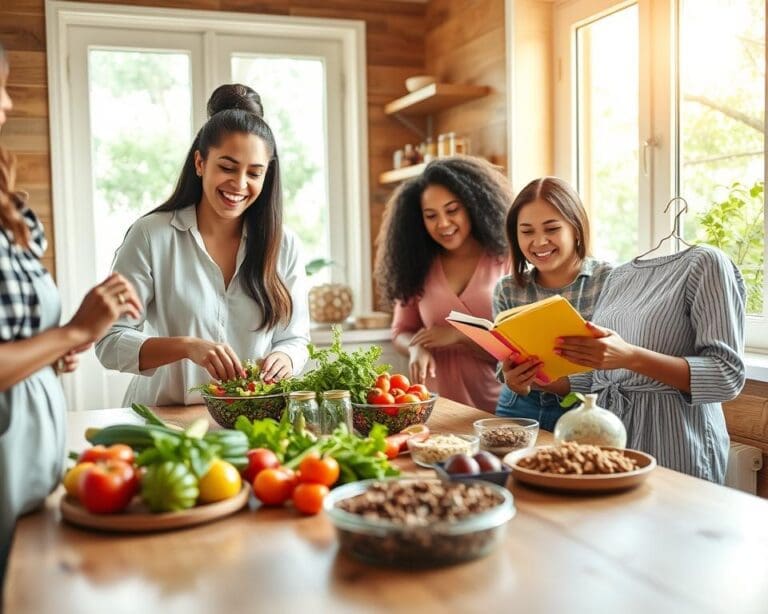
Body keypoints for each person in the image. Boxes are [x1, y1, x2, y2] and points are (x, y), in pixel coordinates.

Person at [0, 43, 142, 591]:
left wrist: (54, 352)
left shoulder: (9, 206)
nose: (8, 106)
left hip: (32, 484)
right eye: (0, 88)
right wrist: (74, 331)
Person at [95, 84, 310, 406]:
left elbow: (295, 337)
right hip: (162, 421)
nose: (239, 184)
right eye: (227, 167)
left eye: (254, 173)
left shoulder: (285, 244)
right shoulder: (151, 235)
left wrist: (286, 357)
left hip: (251, 422)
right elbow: (109, 342)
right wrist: (186, 346)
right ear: (200, 163)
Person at [552, 241, 745, 483]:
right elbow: (603, 374)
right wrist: (544, 380)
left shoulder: (706, 263)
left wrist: (631, 357)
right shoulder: (617, 276)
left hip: (675, 439)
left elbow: (726, 376)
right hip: (613, 439)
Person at [375, 156, 510, 412]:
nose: (443, 224)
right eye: (431, 215)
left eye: (452, 210)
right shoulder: (417, 265)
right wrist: (416, 347)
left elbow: (514, 351)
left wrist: (459, 335)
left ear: (473, 205)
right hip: (438, 406)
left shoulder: (505, 260)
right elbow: (400, 331)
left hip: (499, 407)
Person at [496, 177, 612, 430]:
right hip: (518, 404)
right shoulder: (507, 289)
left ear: (576, 229)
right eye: (527, 232)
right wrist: (511, 378)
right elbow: (501, 360)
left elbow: (615, 367)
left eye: (551, 229)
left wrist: (555, 383)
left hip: (585, 409)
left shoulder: (608, 281)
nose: (539, 242)